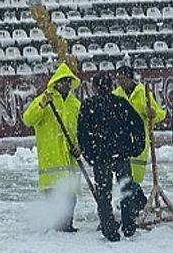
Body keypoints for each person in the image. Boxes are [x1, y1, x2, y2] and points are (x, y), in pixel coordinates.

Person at [77, 72, 146, 241]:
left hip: (101, 158)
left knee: (103, 194)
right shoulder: (120, 103)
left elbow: (82, 134)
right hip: (121, 155)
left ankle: (109, 229)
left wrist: (89, 155)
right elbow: (137, 125)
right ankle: (129, 225)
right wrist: (135, 148)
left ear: (93, 87)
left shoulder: (88, 106)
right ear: (111, 86)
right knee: (125, 190)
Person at [21, 62, 83, 232]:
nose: (66, 85)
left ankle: (67, 224)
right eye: (63, 81)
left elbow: (80, 131)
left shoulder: (75, 104)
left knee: (70, 196)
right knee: (53, 195)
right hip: (51, 159)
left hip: (69, 159)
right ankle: (56, 224)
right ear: (56, 82)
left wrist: (79, 147)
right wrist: (41, 105)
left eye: (68, 82)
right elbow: (28, 119)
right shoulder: (44, 99)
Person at [113, 65, 168, 186]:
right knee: (123, 181)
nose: (121, 82)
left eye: (123, 78)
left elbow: (160, 113)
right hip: (121, 143)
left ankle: (134, 202)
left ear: (131, 78)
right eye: (119, 79)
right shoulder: (115, 95)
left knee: (135, 180)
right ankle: (129, 202)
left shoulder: (144, 93)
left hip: (139, 141)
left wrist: (153, 115)